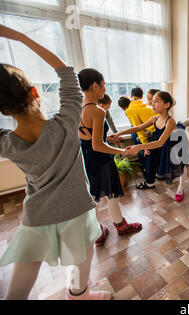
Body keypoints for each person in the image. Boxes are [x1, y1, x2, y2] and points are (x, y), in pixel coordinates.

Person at [0, 24, 111, 300]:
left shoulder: (6, 143)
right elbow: (66, 71)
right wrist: (20, 36)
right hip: (77, 208)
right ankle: (79, 294)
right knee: (84, 254)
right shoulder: (67, 119)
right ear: (35, 93)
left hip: (36, 215)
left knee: (22, 277)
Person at [78, 68, 142, 246]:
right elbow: (97, 144)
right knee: (111, 193)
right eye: (104, 84)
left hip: (87, 156)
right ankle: (121, 226)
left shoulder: (80, 106)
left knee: (96, 194)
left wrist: (107, 138)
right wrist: (123, 152)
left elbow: (89, 138)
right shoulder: (97, 111)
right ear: (95, 85)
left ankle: (96, 232)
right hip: (100, 158)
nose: (105, 89)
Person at [110, 91, 189, 202]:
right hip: (166, 145)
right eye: (152, 101)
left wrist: (139, 147)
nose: (152, 104)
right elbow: (138, 128)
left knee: (182, 166)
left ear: (166, 105)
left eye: (156, 101)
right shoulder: (155, 119)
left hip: (177, 145)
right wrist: (119, 133)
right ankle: (152, 181)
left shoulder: (170, 121)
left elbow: (159, 142)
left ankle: (180, 189)